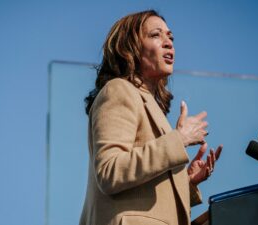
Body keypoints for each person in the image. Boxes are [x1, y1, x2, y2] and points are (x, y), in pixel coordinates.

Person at [80, 10, 222, 225]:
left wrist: (186, 182)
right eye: (156, 35)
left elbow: (145, 195)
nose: (168, 43)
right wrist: (179, 139)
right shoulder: (119, 90)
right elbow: (110, 171)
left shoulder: (151, 106)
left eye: (170, 37)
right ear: (130, 48)